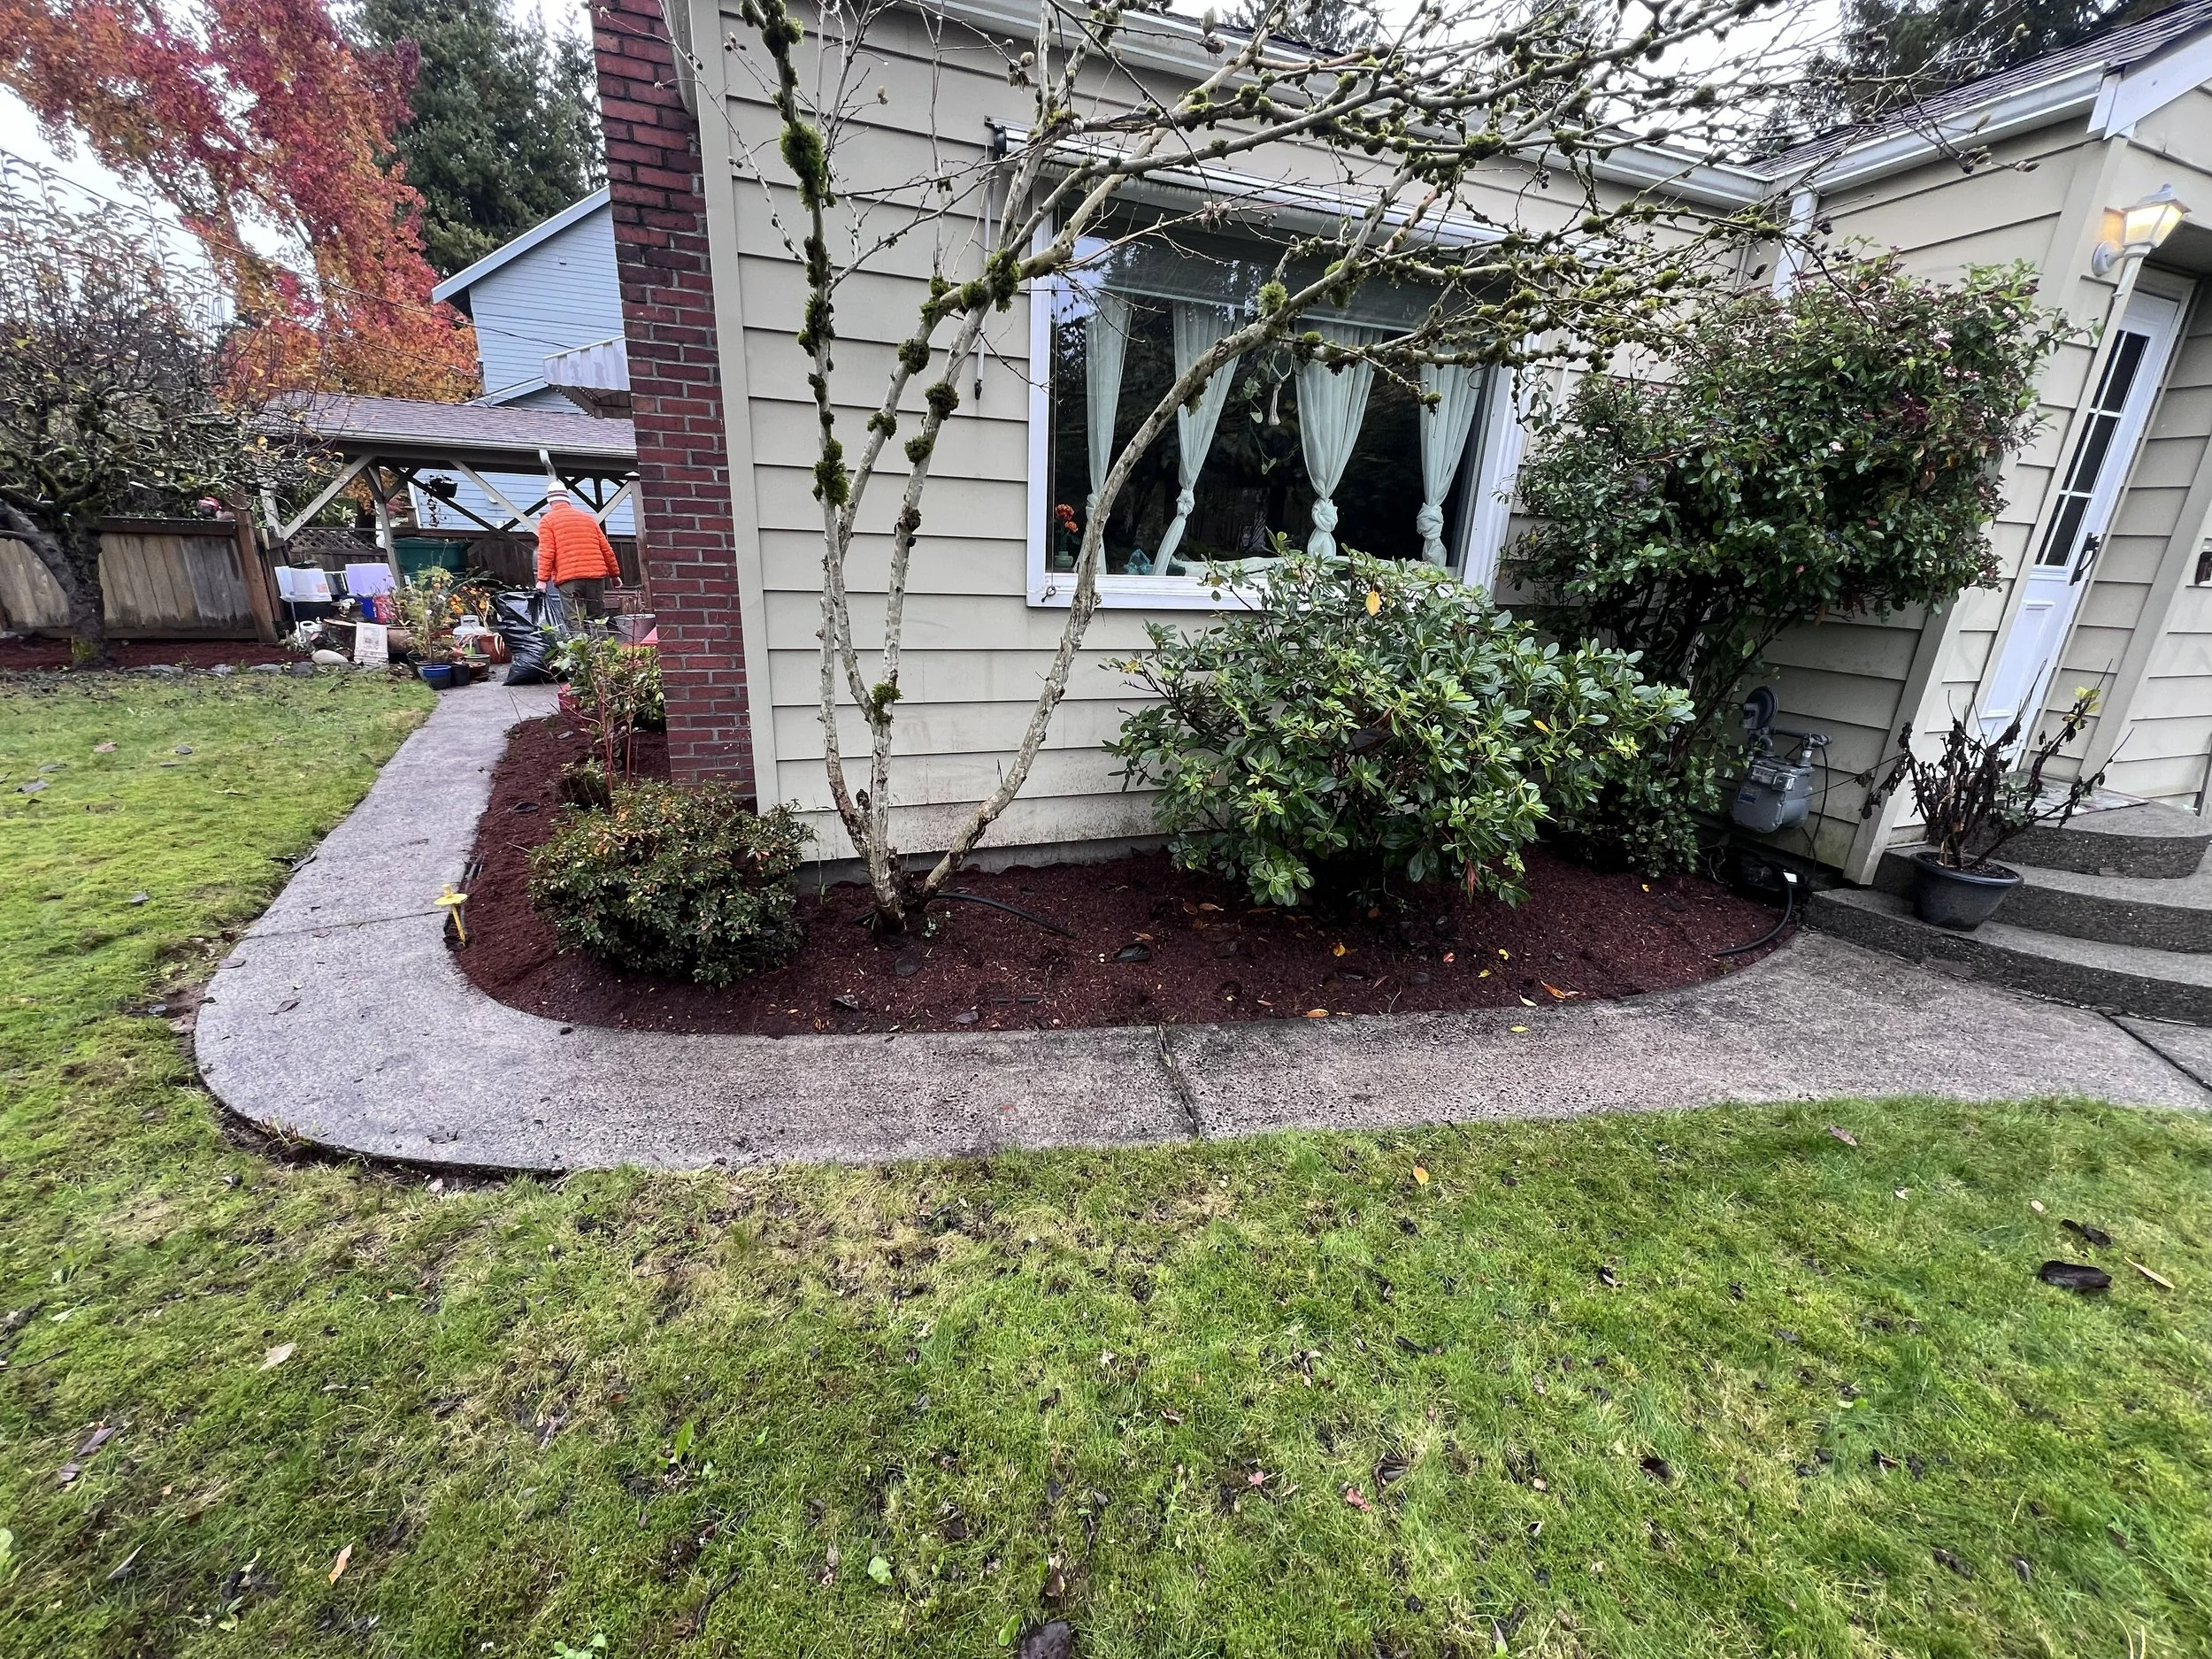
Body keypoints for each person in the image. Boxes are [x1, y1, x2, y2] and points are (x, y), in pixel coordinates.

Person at [534, 486, 623, 619]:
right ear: (568, 500)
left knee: (574, 618)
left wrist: (542, 580)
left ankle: (578, 634)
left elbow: (547, 551)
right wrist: (614, 575)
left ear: (550, 501)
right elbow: (606, 549)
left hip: (569, 579)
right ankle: (601, 634)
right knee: (598, 617)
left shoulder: (547, 521)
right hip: (595, 576)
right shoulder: (588, 518)